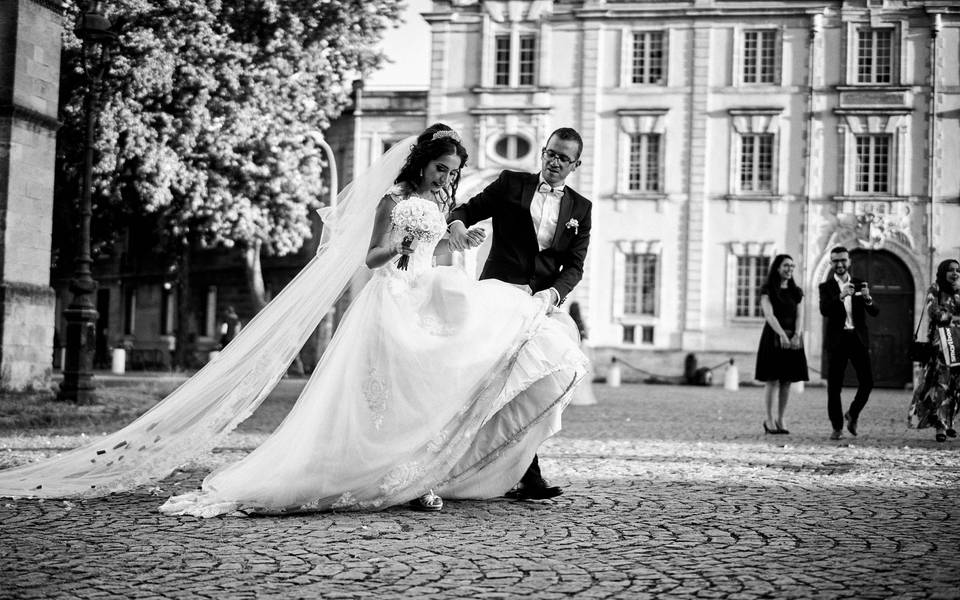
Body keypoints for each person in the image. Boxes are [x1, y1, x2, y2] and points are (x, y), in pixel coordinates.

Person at [0, 124, 588, 515]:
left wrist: (458, 239)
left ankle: (444, 466)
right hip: (402, 295)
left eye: (452, 171)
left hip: (453, 294)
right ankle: (386, 467)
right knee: (399, 385)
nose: (448, 179)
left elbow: (502, 241)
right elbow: (382, 253)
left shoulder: (554, 209)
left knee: (450, 378)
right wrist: (422, 237)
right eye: (442, 170)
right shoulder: (456, 191)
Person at [448, 127, 592, 500]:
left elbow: (575, 267)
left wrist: (552, 296)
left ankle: (524, 467)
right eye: (551, 154)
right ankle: (460, 465)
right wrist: (460, 228)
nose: (555, 162)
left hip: (540, 304)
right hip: (498, 296)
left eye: (564, 158)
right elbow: (465, 209)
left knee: (544, 376)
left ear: (575, 164)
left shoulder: (581, 209)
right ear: (542, 153)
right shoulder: (512, 184)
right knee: (488, 384)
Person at [819, 245, 879, 440]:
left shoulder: (860, 283)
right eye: (835, 260)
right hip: (837, 340)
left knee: (867, 382)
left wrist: (868, 299)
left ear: (849, 262)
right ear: (831, 263)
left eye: (843, 260)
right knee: (834, 386)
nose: (840, 264)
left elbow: (875, 311)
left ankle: (853, 413)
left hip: (857, 338)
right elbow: (825, 310)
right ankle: (837, 427)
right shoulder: (825, 287)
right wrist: (840, 296)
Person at [754, 254, 808, 434]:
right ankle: (768, 419)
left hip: (793, 338)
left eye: (792, 266)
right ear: (777, 268)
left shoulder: (797, 291)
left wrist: (796, 335)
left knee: (787, 381)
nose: (790, 269)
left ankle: (781, 418)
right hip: (773, 337)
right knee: (772, 379)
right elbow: (769, 315)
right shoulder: (767, 289)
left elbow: (800, 315)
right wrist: (782, 334)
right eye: (786, 265)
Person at [909, 259, 960, 442]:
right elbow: (934, 312)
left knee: (956, 385)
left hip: (958, 342)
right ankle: (939, 425)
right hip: (941, 343)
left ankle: (950, 421)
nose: (954, 273)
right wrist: (953, 317)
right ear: (942, 272)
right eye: (950, 270)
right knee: (941, 384)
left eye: (957, 270)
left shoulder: (959, 291)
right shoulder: (935, 288)